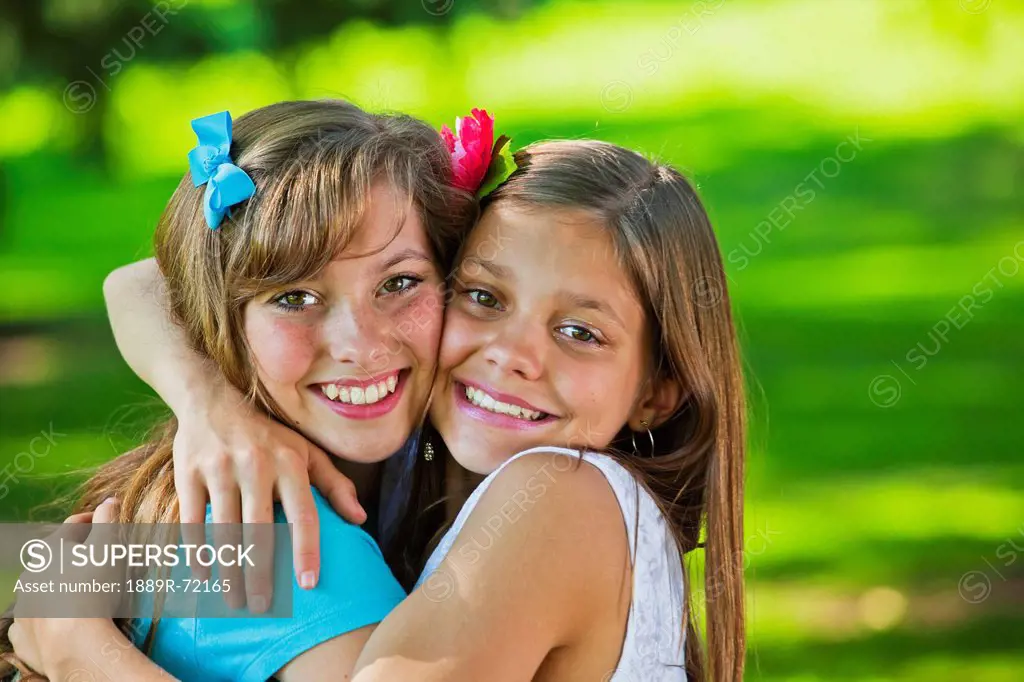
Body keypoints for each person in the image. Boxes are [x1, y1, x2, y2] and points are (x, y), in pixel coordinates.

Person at [12, 122, 746, 681]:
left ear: (658, 393)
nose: (512, 356)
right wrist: (209, 403)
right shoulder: (296, 527)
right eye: (485, 298)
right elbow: (142, 278)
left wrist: (83, 652)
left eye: (581, 332)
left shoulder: (556, 495)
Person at [1, 98, 475, 681]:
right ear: (219, 319)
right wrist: (85, 659)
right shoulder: (294, 548)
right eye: (295, 297)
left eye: (400, 282)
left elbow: (141, 281)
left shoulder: (423, 459)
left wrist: (208, 403)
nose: (360, 344)